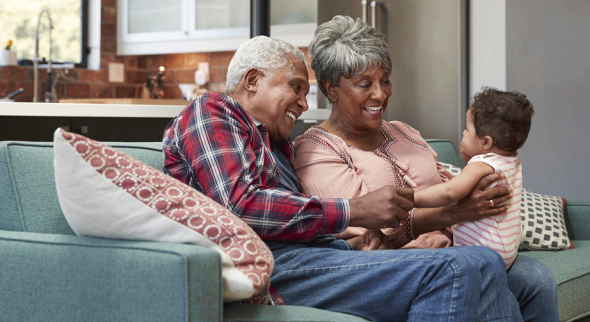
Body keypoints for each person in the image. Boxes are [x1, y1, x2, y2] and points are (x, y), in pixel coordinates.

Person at [163, 35, 525, 322]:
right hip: (269, 268)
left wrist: (353, 245)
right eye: (296, 87)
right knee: (461, 266)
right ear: (253, 80)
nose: (304, 104)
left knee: (486, 263)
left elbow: (295, 222)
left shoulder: (275, 143)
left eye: (306, 92)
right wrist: (355, 211)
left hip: (311, 260)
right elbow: (242, 206)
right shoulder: (212, 111)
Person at [293, 15, 559, 321]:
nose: (380, 94)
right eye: (365, 84)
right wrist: (459, 212)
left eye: (386, 80)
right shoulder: (316, 149)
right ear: (332, 88)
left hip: (457, 246)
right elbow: (367, 227)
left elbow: (450, 183)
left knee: (537, 279)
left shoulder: (404, 131)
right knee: (483, 270)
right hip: (404, 264)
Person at [413, 87, 534, 268]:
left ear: (486, 142)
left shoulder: (481, 164)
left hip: (482, 252)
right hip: (506, 250)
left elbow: (449, 192)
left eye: (466, 129)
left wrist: (412, 199)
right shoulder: (512, 159)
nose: (463, 133)